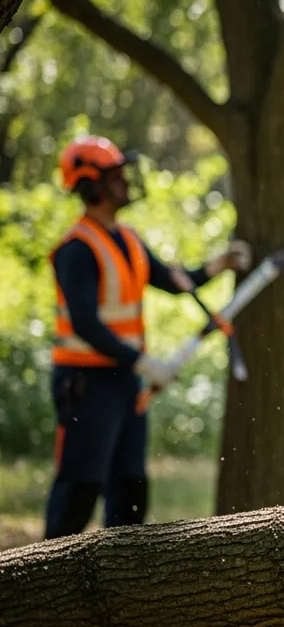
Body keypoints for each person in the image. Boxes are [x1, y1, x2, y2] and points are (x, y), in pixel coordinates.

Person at [47, 135, 252, 539]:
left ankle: (123, 581)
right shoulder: (77, 250)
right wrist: (144, 363)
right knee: (81, 487)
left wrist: (220, 264)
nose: (127, 182)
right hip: (86, 385)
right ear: (92, 185)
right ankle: (44, 583)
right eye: (116, 176)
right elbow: (86, 323)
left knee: (131, 488)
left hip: (125, 382)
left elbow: (172, 281)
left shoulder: (128, 239)